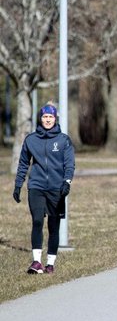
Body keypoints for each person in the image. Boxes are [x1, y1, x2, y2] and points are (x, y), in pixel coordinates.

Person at [13, 102, 75, 275]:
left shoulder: (64, 140)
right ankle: (36, 262)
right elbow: (23, 163)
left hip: (57, 188)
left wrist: (67, 182)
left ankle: (50, 263)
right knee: (38, 221)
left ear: (55, 119)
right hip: (36, 186)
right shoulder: (31, 140)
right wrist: (18, 185)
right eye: (45, 117)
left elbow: (69, 164)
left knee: (53, 226)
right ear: (40, 119)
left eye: (51, 117)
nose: (48, 120)